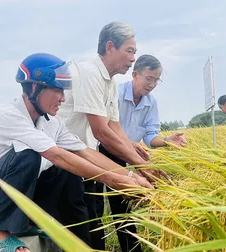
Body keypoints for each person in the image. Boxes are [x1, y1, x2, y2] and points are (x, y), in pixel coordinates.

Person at [0, 53, 153, 252]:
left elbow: (85, 152)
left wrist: (130, 176)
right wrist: (113, 181)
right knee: (30, 156)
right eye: (57, 90)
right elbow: (56, 155)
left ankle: (31, 222)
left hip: (1, 197)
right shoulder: (9, 115)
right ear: (34, 88)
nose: (63, 98)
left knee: (64, 168)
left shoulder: (52, 123)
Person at [59, 22, 167, 251]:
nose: (132, 58)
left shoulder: (110, 83)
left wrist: (143, 163)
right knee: (84, 224)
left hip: (85, 156)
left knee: (94, 221)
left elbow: (115, 129)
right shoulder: (89, 73)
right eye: (129, 51)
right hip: (64, 159)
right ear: (110, 47)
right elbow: (101, 131)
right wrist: (138, 167)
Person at [98, 54, 187, 252]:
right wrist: (128, 145)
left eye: (156, 80)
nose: (152, 84)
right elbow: (102, 127)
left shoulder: (151, 103)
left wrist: (167, 141)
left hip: (127, 155)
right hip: (102, 149)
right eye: (149, 78)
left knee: (123, 206)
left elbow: (150, 136)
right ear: (135, 74)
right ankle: (95, 247)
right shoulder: (116, 93)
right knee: (94, 203)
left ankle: (131, 249)